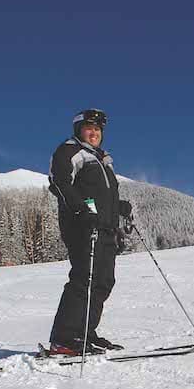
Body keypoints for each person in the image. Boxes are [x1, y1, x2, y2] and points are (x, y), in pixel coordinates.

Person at [47, 108, 132, 355]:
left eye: (97, 130)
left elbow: (103, 194)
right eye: (89, 128)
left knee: (104, 281)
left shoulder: (102, 160)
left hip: (105, 228)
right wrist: (81, 211)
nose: (94, 133)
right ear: (78, 130)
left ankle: (84, 333)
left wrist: (119, 206)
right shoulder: (70, 151)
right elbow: (59, 182)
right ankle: (63, 339)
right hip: (81, 226)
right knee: (85, 278)